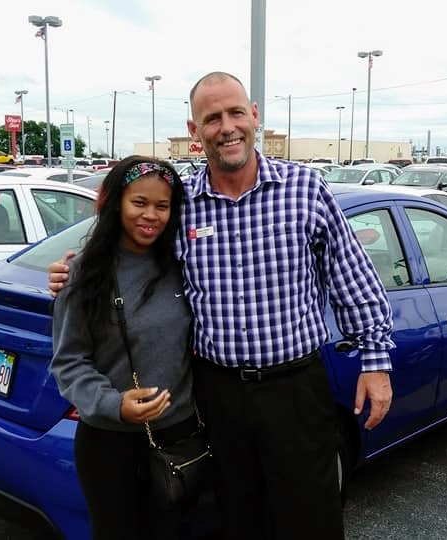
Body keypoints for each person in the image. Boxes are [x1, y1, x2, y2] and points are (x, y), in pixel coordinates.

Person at [49, 72, 395, 540]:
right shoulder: (181, 203)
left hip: (294, 390)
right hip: (216, 397)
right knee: (236, 520)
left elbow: (354, 280)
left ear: (254, 115)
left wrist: (376, 363)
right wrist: (73, 271)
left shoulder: (305, 189)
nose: (226, 127)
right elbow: (129, 248)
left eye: (236, 113)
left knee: (311, 519)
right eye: (212, 118)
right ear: (195, 132)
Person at [49, 156, 197, 540]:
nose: (151, 215)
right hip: (110, 446)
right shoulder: (84, 273)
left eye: (162, 206)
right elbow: (69, 362)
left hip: (180, 440)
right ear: (115, 203)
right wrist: (115, 404)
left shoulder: (184, 264)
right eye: (139, 203)